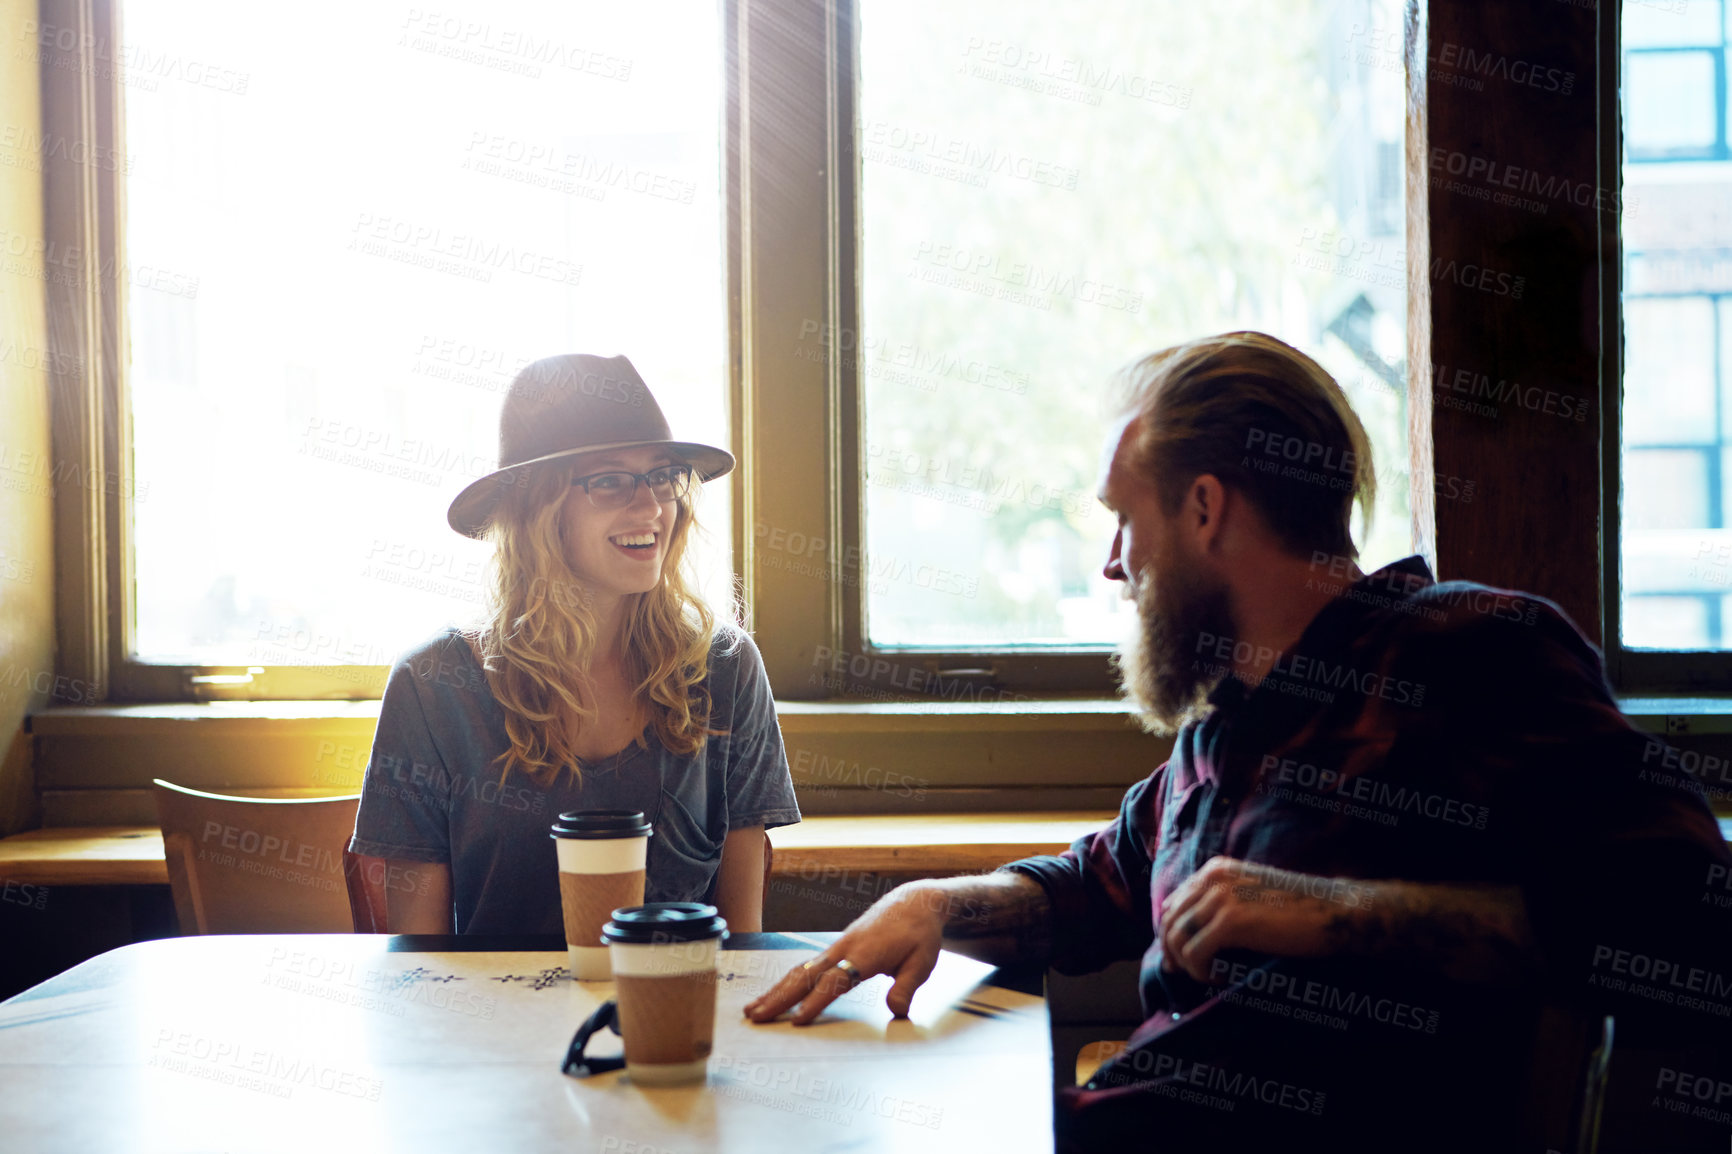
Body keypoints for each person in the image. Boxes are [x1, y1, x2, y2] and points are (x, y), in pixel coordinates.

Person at [744, 332, 1732, 1149]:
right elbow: (1101, 882)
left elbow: (1688, 927)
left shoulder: (1475, 652)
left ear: (1205, 507)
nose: (1111, 565)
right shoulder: (1223, 731)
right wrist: (938, 900)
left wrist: (1331, 911)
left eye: (1125, 521)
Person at [349, 353, 799, 936]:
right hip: (491, 1023)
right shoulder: (434, 685)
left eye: (661, 475)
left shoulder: (725, 668)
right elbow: (422, 963)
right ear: (535, 507)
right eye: (609, 480)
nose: (651, 506)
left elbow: (743, 952)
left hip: (668, 1020)